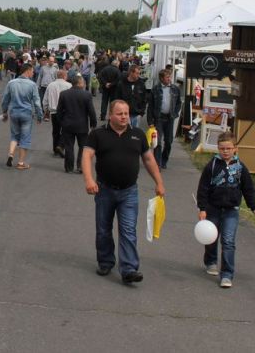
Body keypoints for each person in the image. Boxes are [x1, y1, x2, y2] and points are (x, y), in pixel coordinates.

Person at [81, 100, 165, 283]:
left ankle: (128, 269)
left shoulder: (138, 135)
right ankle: (105, 261)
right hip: (104, 190)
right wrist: (89, 180)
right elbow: (87, 155)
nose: (124, 117)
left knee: (128, 230)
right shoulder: (98, 134)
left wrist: (159, 182)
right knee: (103, 229)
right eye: (120, 113)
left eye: (126, 113)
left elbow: (149, 160)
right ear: (111, 115)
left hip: (129, 192)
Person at [196, 132, 255, 288]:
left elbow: (248, 189)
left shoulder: (240, 168)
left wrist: (254, 208)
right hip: (212, 209)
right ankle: (211, 261)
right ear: (218, 149)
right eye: (221, 148)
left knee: (228, 241)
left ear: (235, 149)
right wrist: (202, 208)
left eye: (228, 148)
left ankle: (227, 274)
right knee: (211, 238)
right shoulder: (212, 165)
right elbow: (203, 188)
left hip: (231, 211)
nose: (225, 151)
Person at [1, 63, 42, 170]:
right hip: (26, 113)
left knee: (14, 136)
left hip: (14, 112)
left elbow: (5, 99)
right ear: (27, 71)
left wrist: (4, 112)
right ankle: (21, 162)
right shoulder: (32, 85)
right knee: (25, 138)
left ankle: (11, 154)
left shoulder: (11, 83)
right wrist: (39, 115)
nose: (33, 73)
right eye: (32, 71)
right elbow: (37, 102)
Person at [57, 75, 97, 173]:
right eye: (83, 82)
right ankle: (80, 167)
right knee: (83, 147)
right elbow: (91, 111)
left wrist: (62, 122)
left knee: (69, 146)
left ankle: (69, 167)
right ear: (79, 83)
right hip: (82, 125)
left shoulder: (64, 94)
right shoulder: (86, 95)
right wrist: (93, 124)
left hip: (68, 124)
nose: (84, 84)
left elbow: (59, 111)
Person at [147, 69, 182, 169]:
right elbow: (150, 106)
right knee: (157, 142)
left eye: (170, 77)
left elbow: (179, 103)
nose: (169, 79)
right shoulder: (155, 89)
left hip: (170, 118)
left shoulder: (175, 89)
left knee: (169, 142)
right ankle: (157, 163)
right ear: (161, 78)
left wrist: (175, 113)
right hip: (158, 118)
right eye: (167, 77)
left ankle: (164, 160)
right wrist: (150, 121)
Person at [42, 69, 72, 157]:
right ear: (64, 76)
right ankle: (61, 145)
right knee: (66, 130)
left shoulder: (51, 85)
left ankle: (55, 149)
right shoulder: (69, 85)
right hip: (65, 111)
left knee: (55, 131)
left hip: (54, 111)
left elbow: (45, 99)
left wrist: (46, 110)